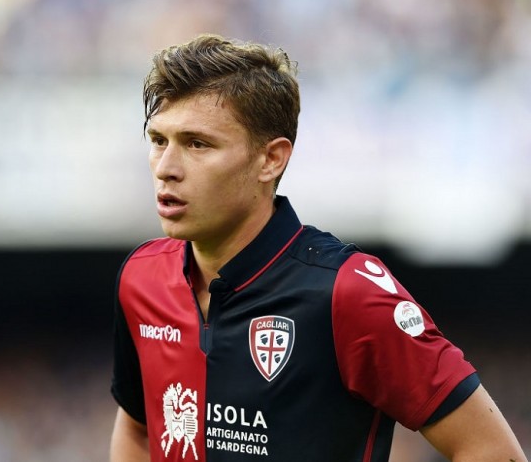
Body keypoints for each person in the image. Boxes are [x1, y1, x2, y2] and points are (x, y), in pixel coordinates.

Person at [109, 33, 527, 462]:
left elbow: (493, 451)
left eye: (198, 144)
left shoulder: (348, 291)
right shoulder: (141, 277)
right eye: (158, 140)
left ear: (271, 159)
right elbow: (140, 429)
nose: (166, 168)